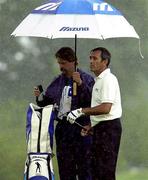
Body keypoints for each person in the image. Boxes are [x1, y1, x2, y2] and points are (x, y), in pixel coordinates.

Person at [34, 47, 94, 180]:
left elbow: (93, 101)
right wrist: (39, 97)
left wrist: (80, 84)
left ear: (74, 62)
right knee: (66, 169)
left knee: (85, 168)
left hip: (81, 128)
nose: (61, 66)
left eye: (64, 63)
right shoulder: (57, 81)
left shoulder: (87, 79)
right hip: (63, 130)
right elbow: (47, 102)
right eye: (59, 63)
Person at [67, 47, 122, 180]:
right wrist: (92, 125)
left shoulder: (108, 79)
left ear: (105, 62)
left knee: (105, 171)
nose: (91, 61)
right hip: (101, 128)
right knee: (96, 170)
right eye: (90, 58)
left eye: (95, 58)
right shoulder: (99, 80)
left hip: (109, 129)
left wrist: (81, 111)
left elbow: (105, 108)